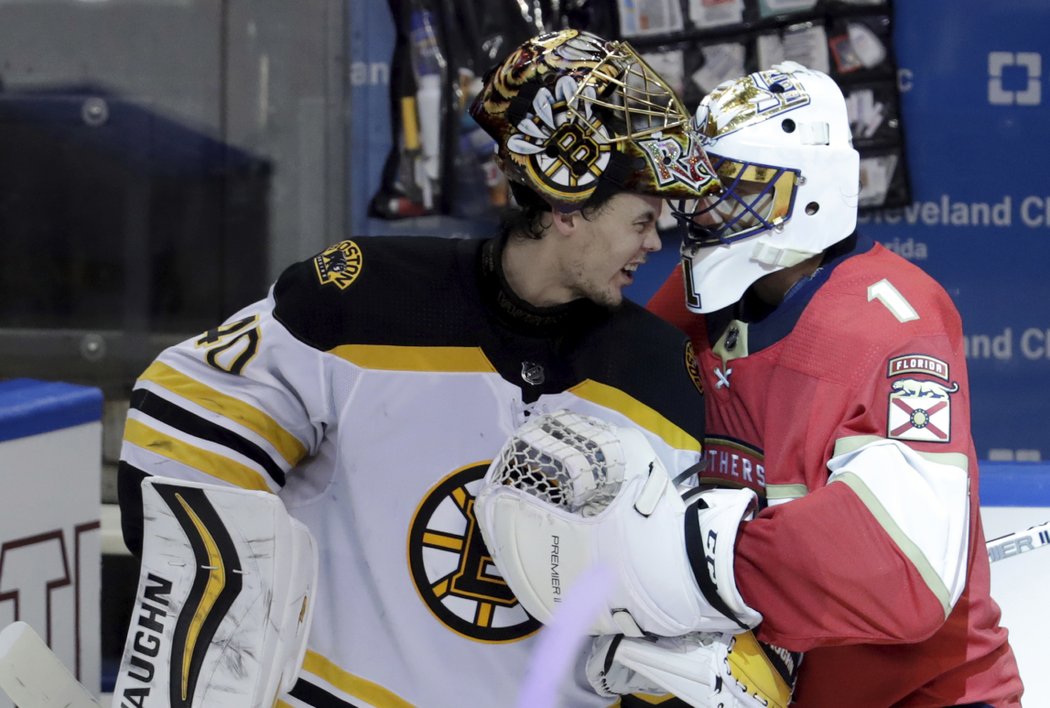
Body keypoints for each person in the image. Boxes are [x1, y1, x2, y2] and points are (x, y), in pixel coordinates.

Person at [112, 29, 723, 707]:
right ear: (568, 204)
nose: (654, 240)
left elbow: (677, 620)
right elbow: (184, 423)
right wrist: (233, 618)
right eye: (641, 217)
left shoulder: (662, 376)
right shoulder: (364, 298)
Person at [643, 61, 1024, 705]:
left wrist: (676, 563)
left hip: (925, 694)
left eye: (737, 189)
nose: (707, 210)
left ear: (810, 192)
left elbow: (900, 572)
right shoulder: (695, 302)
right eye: (700, 188)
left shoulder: (894, 322)